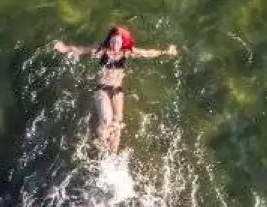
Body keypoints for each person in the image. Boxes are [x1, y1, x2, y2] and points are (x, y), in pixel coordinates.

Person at [52, 24, 180, 154]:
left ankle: (113, 153)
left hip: (117, 91)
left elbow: (146, 53)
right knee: (106, 120)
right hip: (102, 89)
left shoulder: (126, 52)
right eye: (112, 41)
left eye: (118, 42)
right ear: (109, 41)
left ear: (122, 42)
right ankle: (99, 144)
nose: (115, 44)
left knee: (117, 122)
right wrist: (64, 48)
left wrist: (165, 52)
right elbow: (81, 50)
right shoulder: (101, 50)